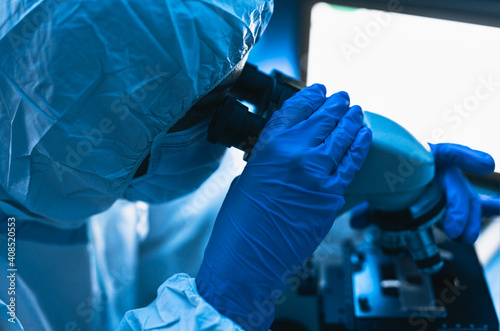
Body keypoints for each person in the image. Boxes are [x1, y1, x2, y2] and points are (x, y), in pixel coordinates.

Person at [0, 1, 498, 330]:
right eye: (205, 103)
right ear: (88, 119)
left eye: (240, 77)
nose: (234, 111)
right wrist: (224, 303)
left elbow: (193, 235)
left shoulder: (72, 161)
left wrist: (359, 192)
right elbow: (231, 269)